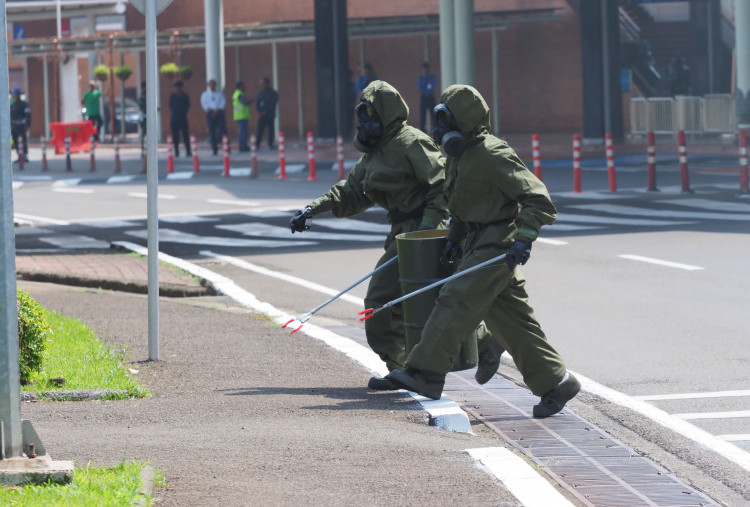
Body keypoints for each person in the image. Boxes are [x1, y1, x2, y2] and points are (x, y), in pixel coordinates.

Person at [288, 80, 501, 390]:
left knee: (383, 304)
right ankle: (409, 366)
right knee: (419, 303)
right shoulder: (373, 154)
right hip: (402, 233)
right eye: (363, 115)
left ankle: (458, 351)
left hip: (425, 232)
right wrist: (311, 209)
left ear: (388, 114)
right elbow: (350, 192)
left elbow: (441, 185)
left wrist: (426, 233)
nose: (366, 122)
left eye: (373, 115)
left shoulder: (409, 142)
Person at [386, 85, 580, 418]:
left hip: (497, 243)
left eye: (447, 120)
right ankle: (557, 382)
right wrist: (454, 237)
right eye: (439, 119)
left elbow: (538, 199)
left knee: (455, 298)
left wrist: (525, 237)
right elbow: (461, 205)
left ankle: (425, 373)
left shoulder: (493, 154)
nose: (441, 128)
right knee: (511, 320)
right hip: (474, 243)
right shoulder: (459, 158)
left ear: (466, 120)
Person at [200, 79, 227, 155]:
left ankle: (226, 147)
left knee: (223, 131)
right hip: (210, 113)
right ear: (208, 86)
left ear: (215, 85)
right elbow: (204, 104)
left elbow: (223, 102)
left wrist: (218, 109)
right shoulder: (205, 94)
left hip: (219, 113)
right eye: (210, 85)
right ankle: (215, 150)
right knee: (212, 132)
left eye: (213, 85)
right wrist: (210, 110)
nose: (212, 86)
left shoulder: (220, 93)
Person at [169, 80, 191, 157]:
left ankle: (188, 150)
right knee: (175, 136)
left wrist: (183, 112)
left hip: (183, 118)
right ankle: (176, 151)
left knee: (185, 135)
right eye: (176, 87)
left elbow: (188, 107)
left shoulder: (185, 96)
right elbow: (170, 107)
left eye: (179, 86)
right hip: (175, 118)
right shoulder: (172, 96)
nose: (178, 88)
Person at [255, 77, 278, 150]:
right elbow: (257, 102)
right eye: (261, 84)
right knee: (260, 130)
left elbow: (273, 104)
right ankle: (257, 144)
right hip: (261, 115)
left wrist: (266, 111)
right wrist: (259, 111)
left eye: (263, 84)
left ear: (267, 84)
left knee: (270, 130)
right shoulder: (260, 93)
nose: (262, 85)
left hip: (269, 115)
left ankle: (270, 144)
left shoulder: (273, 93)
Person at [10, 88, 30, 163]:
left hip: (22, 126)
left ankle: (25, 156)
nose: (16, 95)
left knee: (23, 141)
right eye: (15, 94)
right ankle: (19, 156)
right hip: (14, 127)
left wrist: (27, 125)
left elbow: (28, 115)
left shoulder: (24, 104)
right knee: (16, 141)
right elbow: (10, 116)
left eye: (17, 94)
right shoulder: (13, 104)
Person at [233, 81, 252, 152]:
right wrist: (250, 101)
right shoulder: (239, 94)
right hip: (241, 116)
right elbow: (244, 102)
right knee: (243, 132)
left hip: (240, 116)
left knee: (242, 132)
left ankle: (243, 146)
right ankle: (243, 147)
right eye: (243, 86)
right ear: (240, 87)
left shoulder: (236, 94)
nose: (245, 87)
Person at [417, 61, 437, 132]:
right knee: (423, 115)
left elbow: (433, 87)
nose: (425, 70)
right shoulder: (420, 78)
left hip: (430, 97)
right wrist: (425, 93)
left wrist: (428, 92)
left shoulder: (432, 78)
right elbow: (419, 88)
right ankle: (423, 130)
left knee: (433, 114)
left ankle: (434, 129)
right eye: (424, 69)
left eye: (427, 68)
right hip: (424, 98)